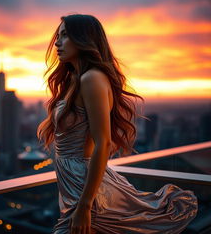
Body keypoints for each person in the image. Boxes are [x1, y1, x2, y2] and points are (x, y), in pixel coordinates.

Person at [37, 14, 198, 234]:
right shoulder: (77, 79)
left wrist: (84, 205)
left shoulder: (91, 78)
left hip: (87, 193)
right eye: (58, 36)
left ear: (84, 39)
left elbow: (102, 143)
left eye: (65, 36)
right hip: (75, 189)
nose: (57, 42)